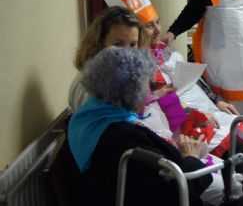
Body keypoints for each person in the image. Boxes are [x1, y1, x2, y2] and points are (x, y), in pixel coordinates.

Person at [63, 47, 214, 206]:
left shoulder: (88, 117)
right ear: (133, 91)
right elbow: (173, 193)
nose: (150, 92)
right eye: (148, 85)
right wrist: (192, 158)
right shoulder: (122, 137)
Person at [68, 6, 147, 111]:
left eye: (133, 44)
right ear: (100, 43)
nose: (127, 53)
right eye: (118, 45)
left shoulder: (116, 75)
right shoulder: (90, 87)